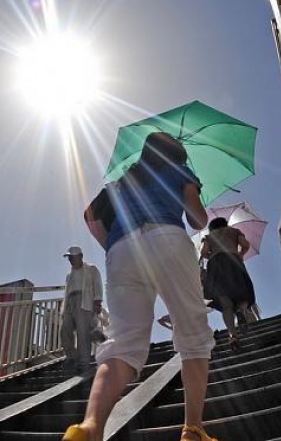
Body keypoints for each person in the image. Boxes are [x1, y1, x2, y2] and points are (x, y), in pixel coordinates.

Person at [64, 132, 217, 441]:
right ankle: (192, 430)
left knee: (124, 344)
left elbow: (90, 215)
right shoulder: (180, 171)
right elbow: (199, 220)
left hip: (123, 249)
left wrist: (111, 244)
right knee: (193, 334)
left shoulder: (121, 182)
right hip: (168, 239)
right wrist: (193, 195)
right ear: (177, 152)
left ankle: (90, 427)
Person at [200, 217, 256, 350]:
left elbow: (203, 252)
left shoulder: (208, 236)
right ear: (225, 224)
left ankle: (233, 335)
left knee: (226, 305)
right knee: (243, 294)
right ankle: (241, 310)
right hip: (234, 260)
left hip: (216, 265)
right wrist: (240, 254)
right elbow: (246, 245)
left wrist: (212, 256)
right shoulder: (235, 231)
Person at [61, 246, 104, 373]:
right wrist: (65, 308)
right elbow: (67, 292)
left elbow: (97, 284)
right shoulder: (69, 276)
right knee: (65, 329)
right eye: (69, 258)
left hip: (84, 300)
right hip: (70, 302)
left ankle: (84, 363)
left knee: (82, 332)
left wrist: (98, 301)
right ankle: (72, 357)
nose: (70, 260)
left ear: (80, 256)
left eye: (72, 257)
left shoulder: (91, 269)